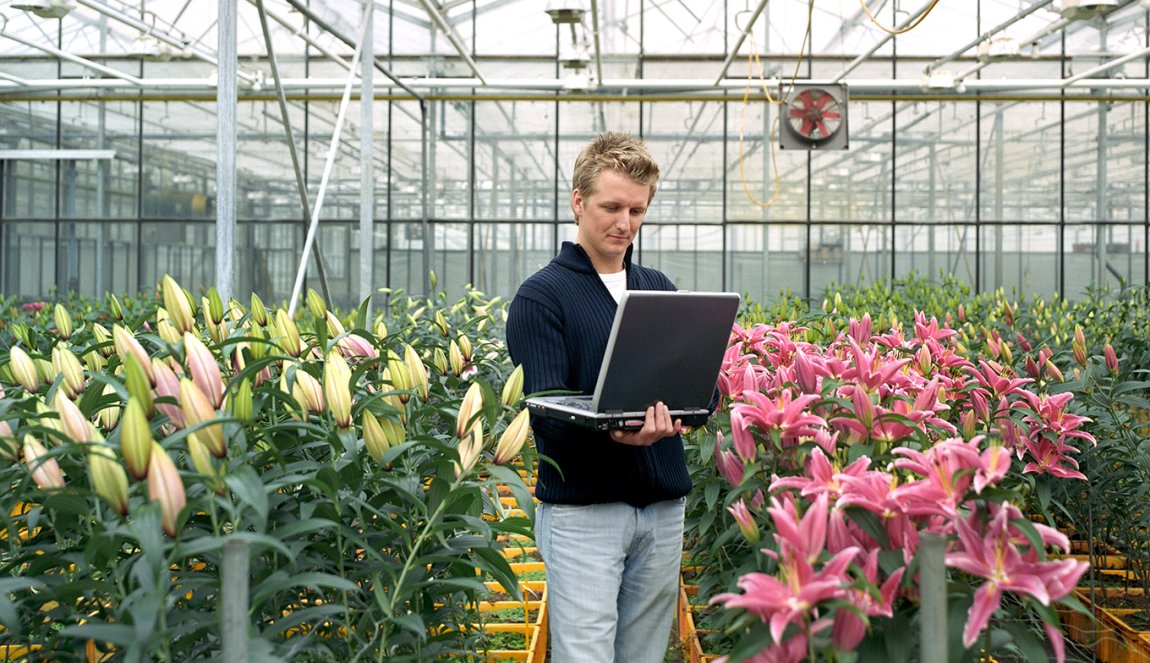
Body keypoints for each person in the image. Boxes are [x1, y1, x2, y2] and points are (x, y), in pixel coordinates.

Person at [505, 132, 688, 663]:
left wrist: (689, 406)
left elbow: (705, 392)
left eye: (637, 209)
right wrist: (615, 430)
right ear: (578, 201)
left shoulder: (658, 288)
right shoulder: (542, 296)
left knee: (644, 656)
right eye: (611, 206)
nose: (624, 223)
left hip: (661, 509)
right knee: (585, 654)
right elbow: (544, 410)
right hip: (585, 514)